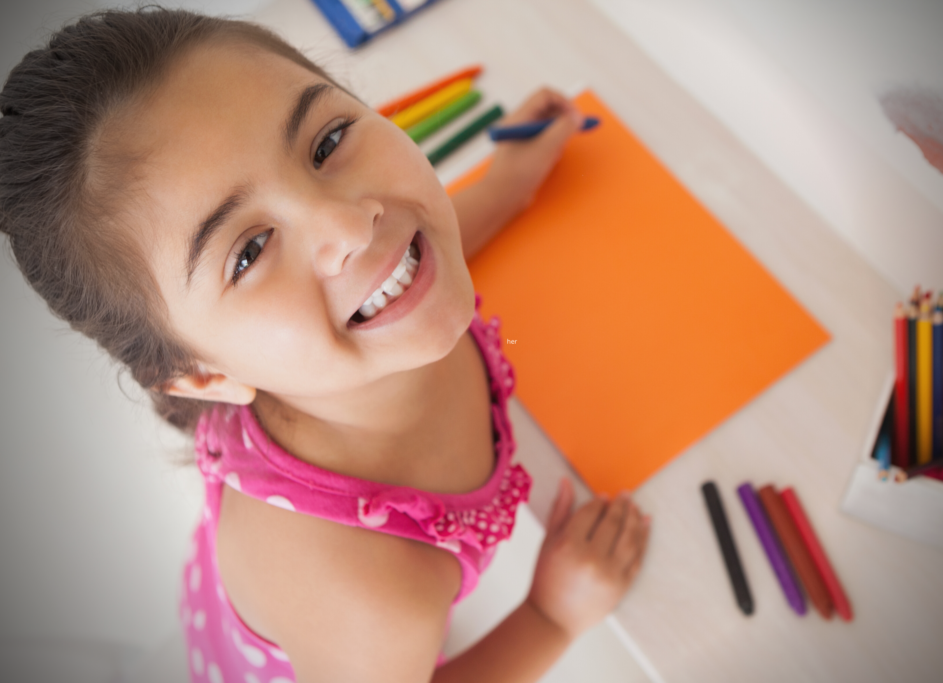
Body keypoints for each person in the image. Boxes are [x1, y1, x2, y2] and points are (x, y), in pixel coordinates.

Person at [0, 7, 650, 682]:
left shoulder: (353, 310)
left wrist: (505, 186)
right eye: (249, 251)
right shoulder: (370, 593)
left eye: (327, 141)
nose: (352, 223)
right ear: (203, 375)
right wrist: (550, 616)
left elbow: (404, 246)